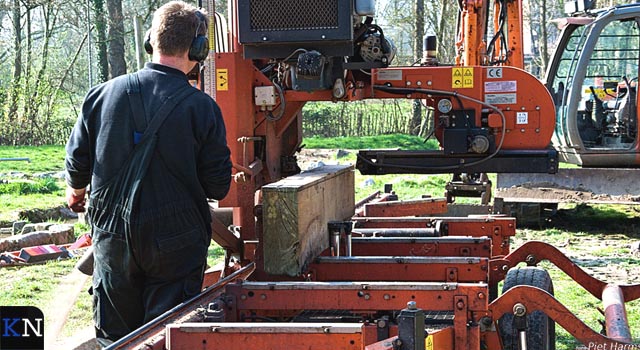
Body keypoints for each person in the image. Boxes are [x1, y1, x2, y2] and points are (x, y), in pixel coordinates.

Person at [64, 1, 231, 346]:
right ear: (198, 50)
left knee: (116, 339)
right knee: (166, 336)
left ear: (150, 42)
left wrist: (77, 194)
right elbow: (218, 184)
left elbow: (77, 165)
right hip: (177, 240)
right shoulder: (202, 107)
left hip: (113, 238)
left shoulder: (101, 96)